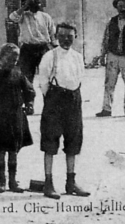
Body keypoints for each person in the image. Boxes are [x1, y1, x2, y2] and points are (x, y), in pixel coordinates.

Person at [37, 22, 90, 199]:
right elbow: (43, 81)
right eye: (62, 36)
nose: (66, 40)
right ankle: (49, 183)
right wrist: (52, 99)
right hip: (55, 100)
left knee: (73, 140)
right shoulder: (50, 56)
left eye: (70, 36)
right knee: (50, 141)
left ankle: (71, 182)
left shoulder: (77, 57)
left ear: (75, 37)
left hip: (73, 100)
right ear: (56, 37)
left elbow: (80, 78)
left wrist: (72, 95)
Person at [0, 43, 34, 193]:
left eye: (15, 59)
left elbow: (30, 91)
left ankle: (13, 181)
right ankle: (1, 180)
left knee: (14, 150)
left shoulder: (19, 75)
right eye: (9, 59)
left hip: (16, 116)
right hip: (0, 117)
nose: (13, 62)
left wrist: (29, 103)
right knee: (1, 150)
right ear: (1, 58)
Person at [9, 0, 56, 115]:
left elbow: (53, 35)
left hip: (43, 48)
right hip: (28, 50)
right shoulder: (23, 16)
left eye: (38, 1)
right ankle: (29, 105)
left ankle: (49, 105)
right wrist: (25, 6)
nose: (36, 4)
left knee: (46, 78)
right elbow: (12, 17)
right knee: (27, 79)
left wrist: (55, 51)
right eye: (33, 1)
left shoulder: (46, 17)